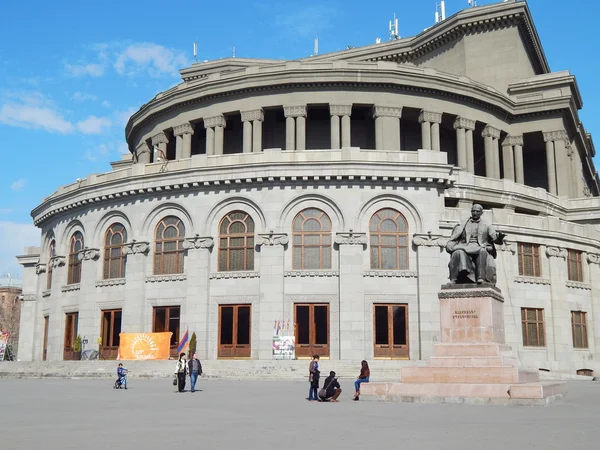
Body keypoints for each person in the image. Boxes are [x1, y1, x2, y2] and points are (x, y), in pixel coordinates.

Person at [446, 204, 505, 285]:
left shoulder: (487, 225)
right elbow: (454, 238)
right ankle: (454, 279)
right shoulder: (463, 224)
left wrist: (500, 238)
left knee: (482, 251)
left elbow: (495, 238)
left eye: (477, 211)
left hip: (479, 246)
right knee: (457, 252)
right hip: (464, 246)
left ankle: (480, 277)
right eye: (473, 211)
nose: (475, 213)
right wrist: (449, 244)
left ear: (481, 213)